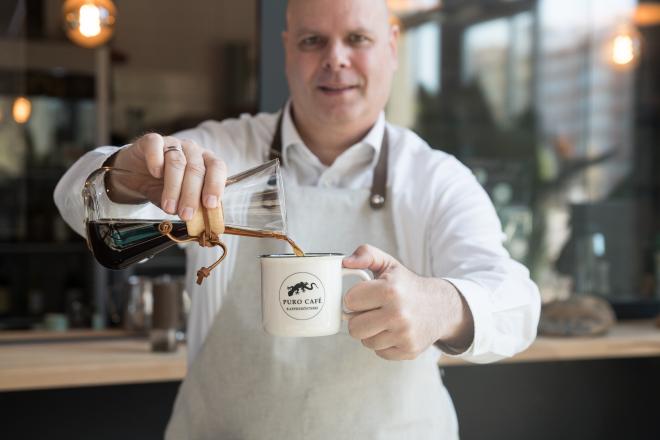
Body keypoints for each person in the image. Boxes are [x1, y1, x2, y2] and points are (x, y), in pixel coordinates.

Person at [54, 0, 540, 438]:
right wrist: (122, 176)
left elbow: (517, 303)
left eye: (357, 38)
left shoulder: (435, 179)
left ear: (391, 46)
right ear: (287, 49)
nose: (335, 58)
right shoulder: (224, 150)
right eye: (313, 40)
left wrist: (444, 306)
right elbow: (75, 200)